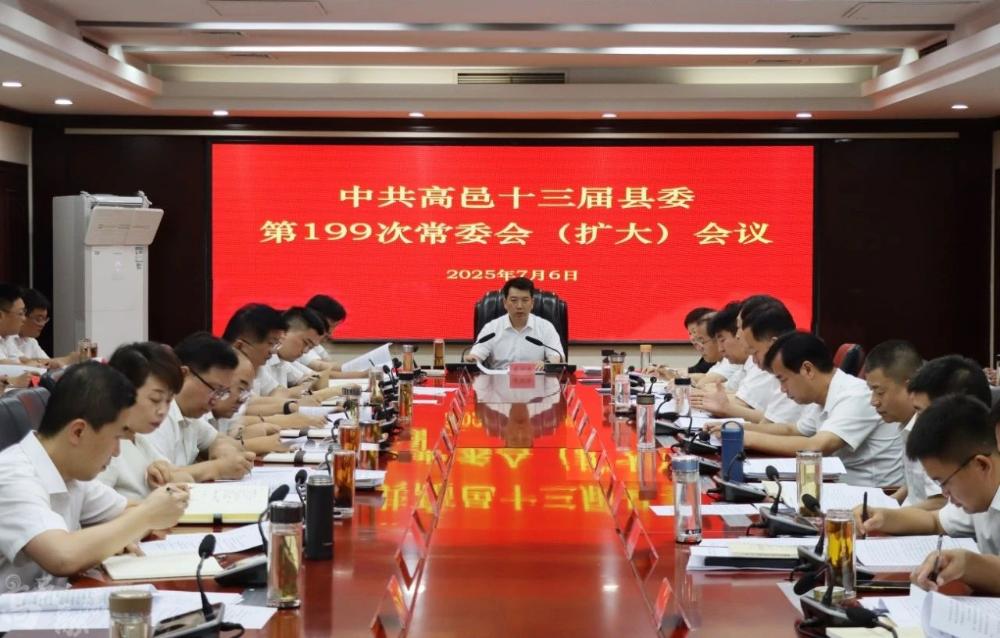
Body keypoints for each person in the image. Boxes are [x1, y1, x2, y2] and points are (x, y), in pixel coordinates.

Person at [0, 362, 189, 589]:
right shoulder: (13, 476)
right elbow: (62, 556)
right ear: (78, 432)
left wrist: (122, 532)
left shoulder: (70, 472)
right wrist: (146, 516)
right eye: (116, 437)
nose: (117, 452)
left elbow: (128, 510)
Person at [741, 331, 905, 487]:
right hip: (838, 487)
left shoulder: (856, 395)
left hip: (872, 495)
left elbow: (815, 447)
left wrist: (748, 438)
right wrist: (738, 429)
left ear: (807, 370)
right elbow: (792, 430)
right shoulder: (821, 396)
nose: (782, 389)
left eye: (783, 379)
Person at [864, 396, 1000, 558]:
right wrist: (882, 517)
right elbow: (934, 521)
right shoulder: (980, 495)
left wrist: (972, 564)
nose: (945, 494)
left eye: (944, 482)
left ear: (982, 465)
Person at [141, 333, 253, 481]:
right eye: (214, 390)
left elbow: (217, 439)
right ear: (183, 374)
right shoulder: (157, 416)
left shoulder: (191, 415)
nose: (215, 401)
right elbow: (161, 478)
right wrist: (217, 468)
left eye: (222, 393)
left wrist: (224, 451)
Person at [97, 342, 194, 500]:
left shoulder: (139, 439)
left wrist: (166, 473)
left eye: (169, 401)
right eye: (155, 399)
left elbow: (186, 480)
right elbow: (98, 509)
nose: (163, 410)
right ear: (124, 392)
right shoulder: (105, 450)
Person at [860, 340, 928, 506]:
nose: (873, 401)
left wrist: (889, 516)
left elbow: (939, 502)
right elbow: (915, 484)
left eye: (880, 392)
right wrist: (888, 503)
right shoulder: (906, 424)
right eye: (872, 391)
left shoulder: (930, 431)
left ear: (910, 388)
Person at [466, 277, 564, 368]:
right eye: (514, 300)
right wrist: (473, 359)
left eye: (525, 300)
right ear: (505, 303)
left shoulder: (545, 327)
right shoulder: (491, 328)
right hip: (499, 378)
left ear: (532, 303)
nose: (519, 306)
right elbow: (477, 355)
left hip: (535, 378)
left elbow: (557, 356)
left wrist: (546, 364)